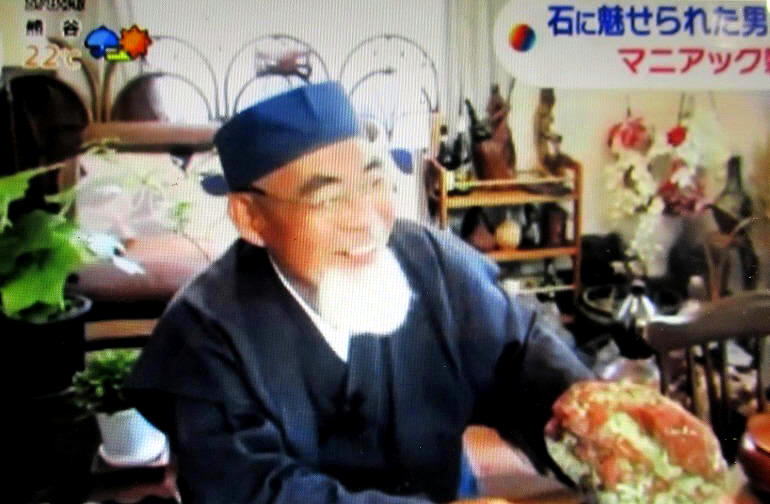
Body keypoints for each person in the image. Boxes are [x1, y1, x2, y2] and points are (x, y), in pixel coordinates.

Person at [125, 81, 593, 504]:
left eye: (373, 182)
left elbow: (520, 352)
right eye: (328, 198)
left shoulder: (429, 260)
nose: (367, 221)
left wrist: (594, 420)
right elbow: (251, 490)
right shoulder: (205, 333)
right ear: (250, 217)